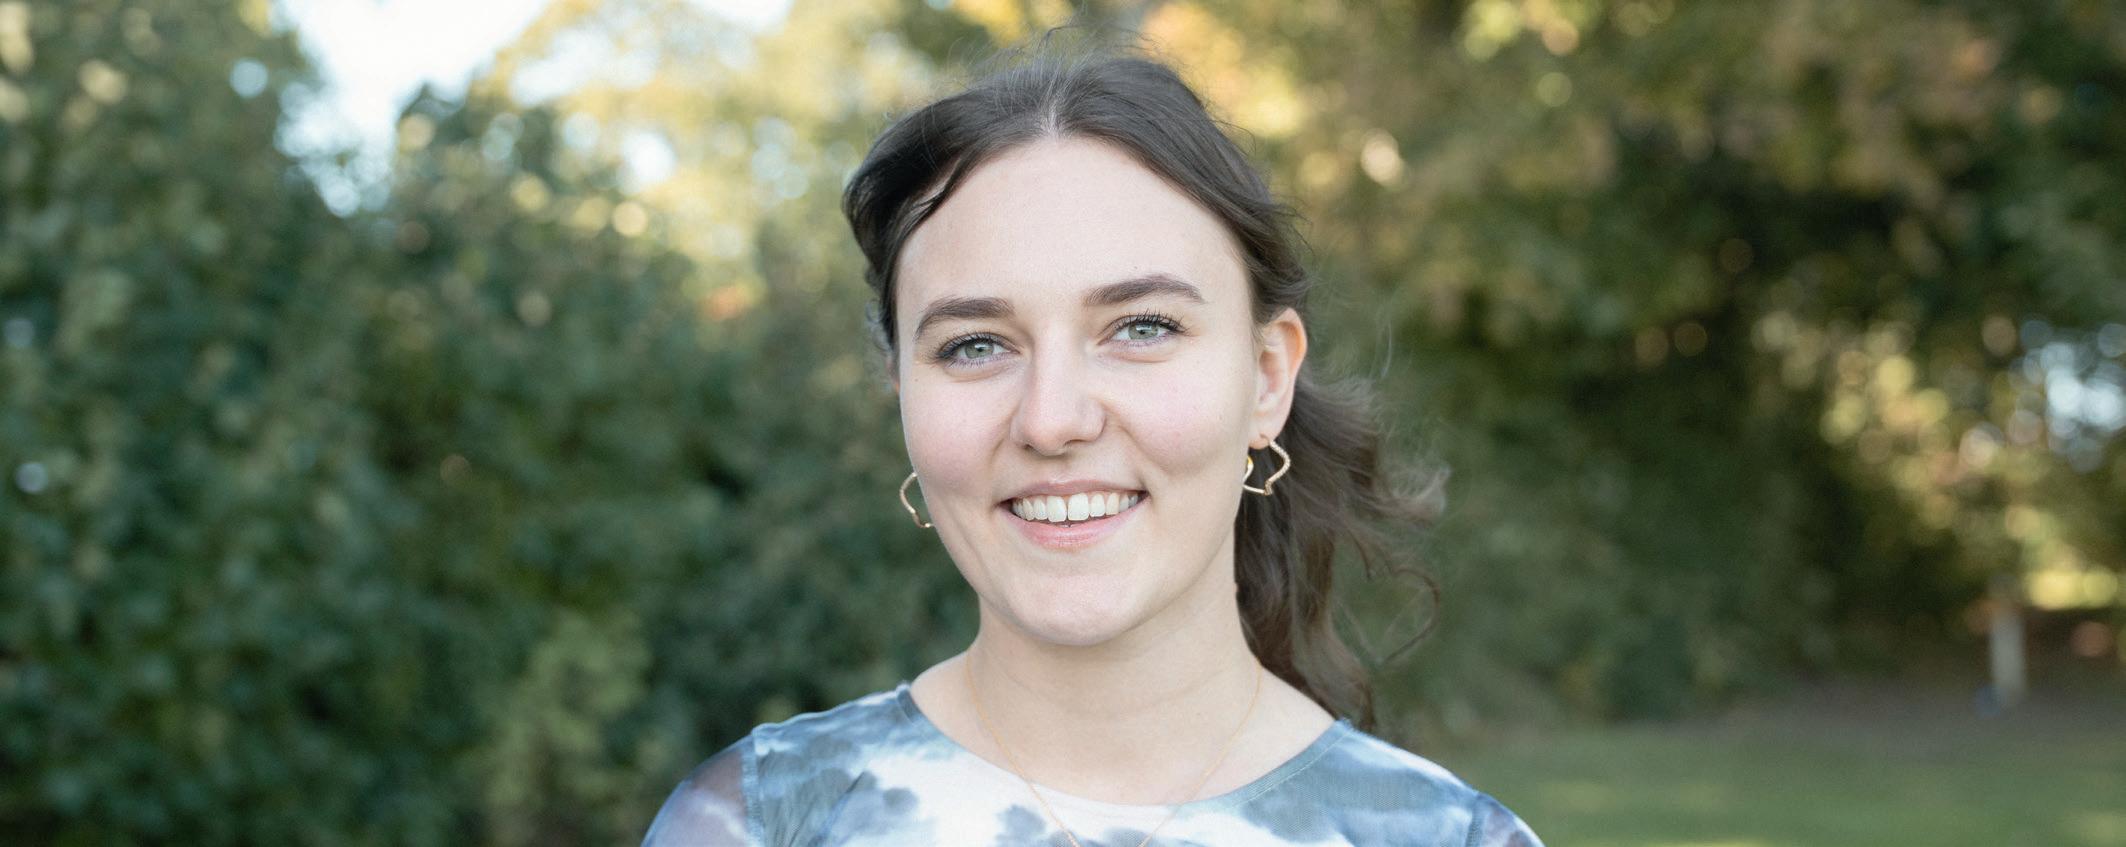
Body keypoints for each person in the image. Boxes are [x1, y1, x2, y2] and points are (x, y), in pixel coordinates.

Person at [640, 31, 1545, 847]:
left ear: (1268, 375)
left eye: (1141, 327)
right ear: (903, 392)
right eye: (976, 344)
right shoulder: (755, 823)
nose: (1052, 419)